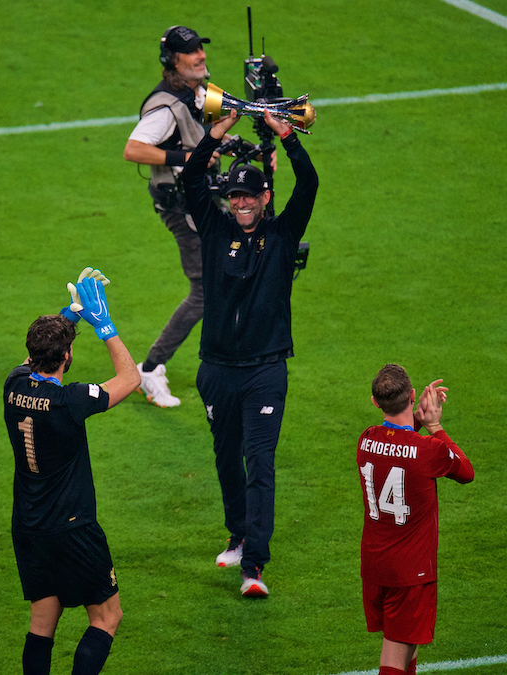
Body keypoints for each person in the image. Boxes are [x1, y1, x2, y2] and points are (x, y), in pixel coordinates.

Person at [181, 108, 318, 596]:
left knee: (260, 461)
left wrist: (288, 138)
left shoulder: (281, 237)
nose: (241, 203)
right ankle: (238, 534)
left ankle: (254, 565)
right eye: (234, 196)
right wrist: (215, 132)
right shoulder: (214, 231)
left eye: (249, 196)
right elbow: (192, 181)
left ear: (264, 198)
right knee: (225, 458)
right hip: (216, 369)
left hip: (264, 371)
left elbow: (309, 184)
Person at [4, 273, 141, 675]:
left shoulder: (12, 385)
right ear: (66, 358)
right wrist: (104, 324)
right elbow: (130, 379)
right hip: (72, 527)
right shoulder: (70, 401)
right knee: (106, 618)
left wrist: (68, 318)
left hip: (27, 525)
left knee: (42, 623)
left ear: (31, 354)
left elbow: (34, 357)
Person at [358, 364, 474, 675]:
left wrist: (415, 425)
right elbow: (465, 471)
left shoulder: (366, 441)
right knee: (395, 658)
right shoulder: (428, 451)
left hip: (374, 565)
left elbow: (398, 447)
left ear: (375, 402)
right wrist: (434, 425)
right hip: (410, 572)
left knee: (406, 648)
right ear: (412, 396)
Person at [121, 25, 214, 408]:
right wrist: (185, 158)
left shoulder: (202, 94)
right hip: (180, 207)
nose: (201, 56)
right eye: (191, 52)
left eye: (201, 50)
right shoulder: (166, 107)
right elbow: (133, 149)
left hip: (205, 199)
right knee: (205, 291)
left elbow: (215, 135)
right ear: (173, 62)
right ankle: (150, 367)